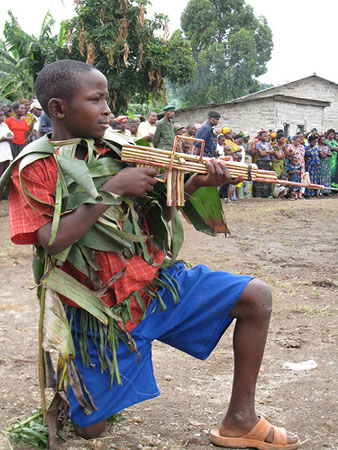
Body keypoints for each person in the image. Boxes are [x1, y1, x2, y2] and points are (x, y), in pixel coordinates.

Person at [2, 59, 300, 450]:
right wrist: (112, 189)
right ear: (58, 109)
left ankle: (240, 419)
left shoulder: (118, 149)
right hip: (99, 313)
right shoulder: (34, 168)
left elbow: (153, 210)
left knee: (256, 297)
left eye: (107, 98)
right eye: (96, 100)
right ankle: (89, 390)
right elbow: (50, 240)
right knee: (90, 428)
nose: (108, 109)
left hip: (155, 285)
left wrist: (196, 183)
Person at [253, 130, 274, 198]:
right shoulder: (258, 144)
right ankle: (258, 194)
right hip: (261, 162)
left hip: (267, 162)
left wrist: (266, 151)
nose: (266, 137)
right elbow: (261, 154)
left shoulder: (268, 144)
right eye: (264, 136)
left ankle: (265, 194)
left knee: (266, 178)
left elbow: (272, 151)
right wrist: (269, 152)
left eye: (267, 136)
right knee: (259, 178)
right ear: (260, 137)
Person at [0, 109, 14, 178]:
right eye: (0, 116)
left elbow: (11, 137)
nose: (2, 117)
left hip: (6, 154)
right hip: (1, 155)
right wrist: (5, 138)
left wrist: (5, 138)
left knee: (5, 175)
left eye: (3, 115)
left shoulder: (4, 125)